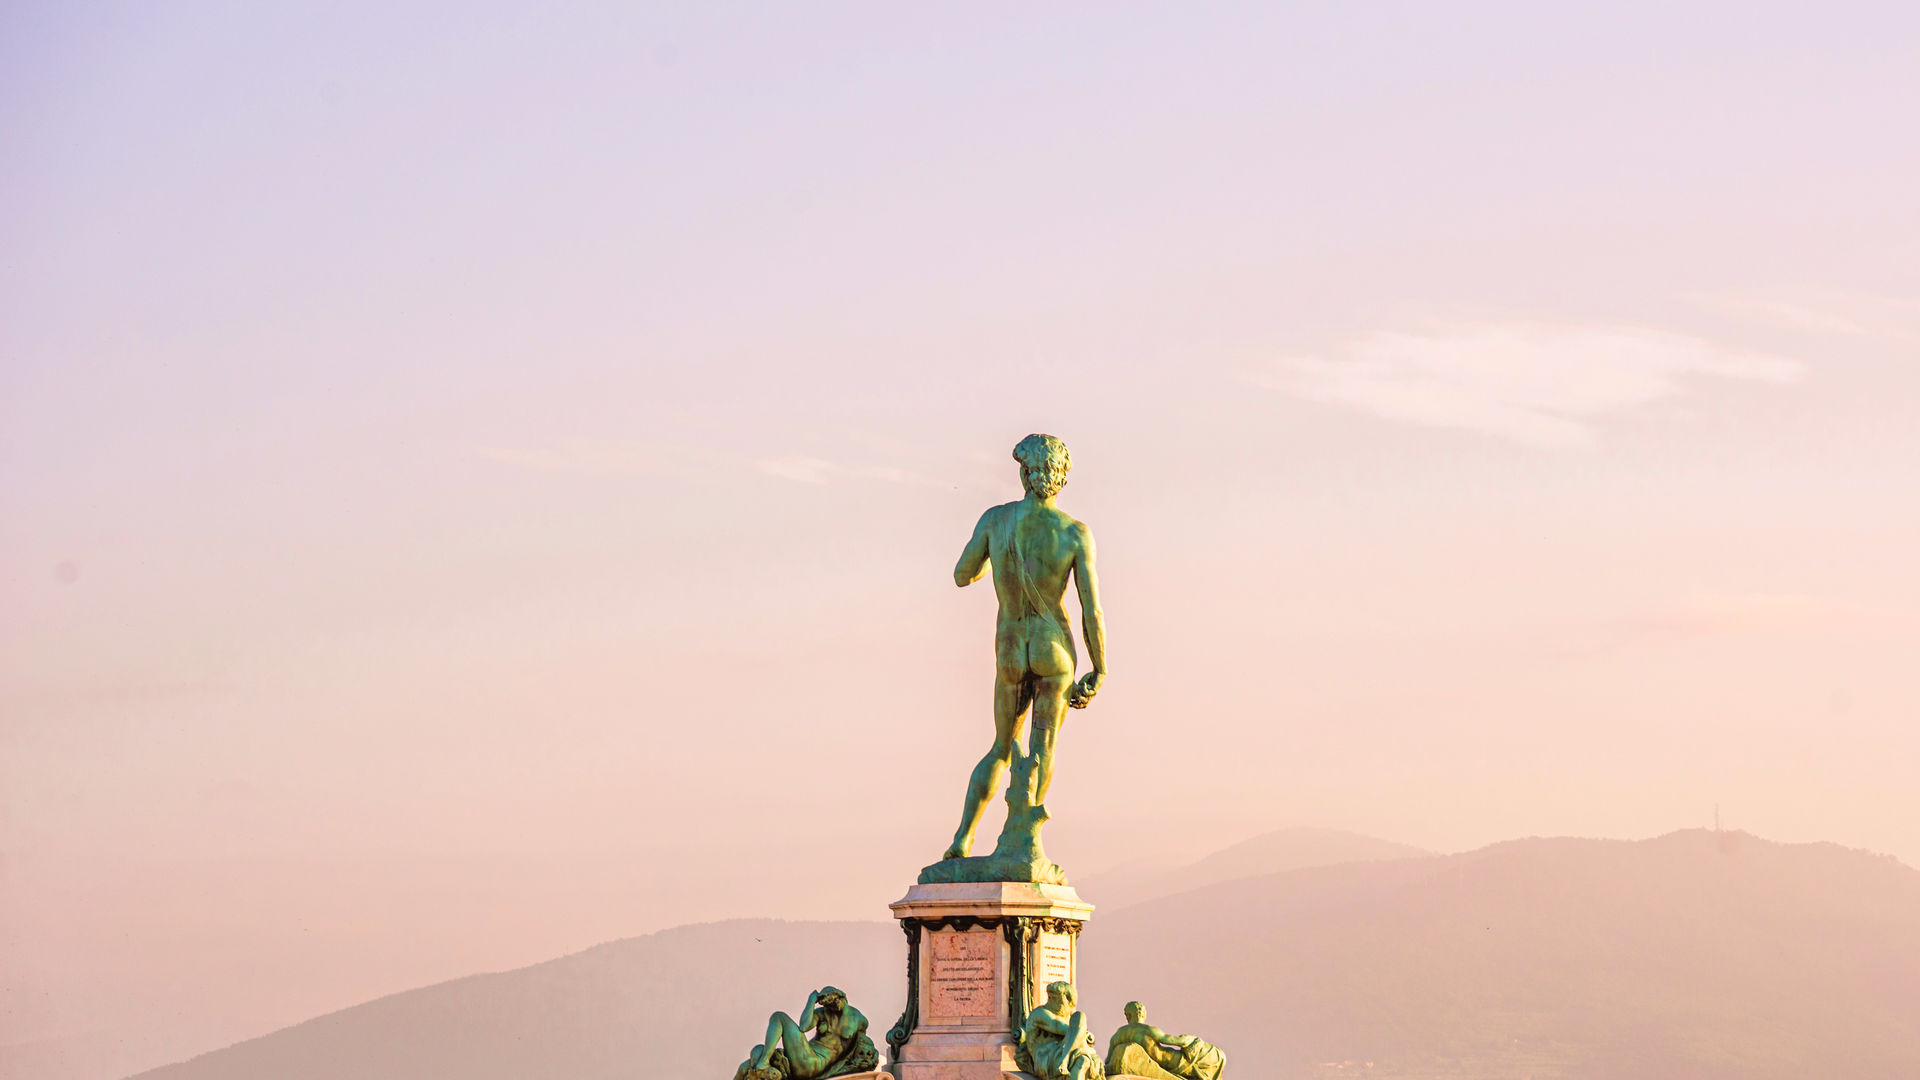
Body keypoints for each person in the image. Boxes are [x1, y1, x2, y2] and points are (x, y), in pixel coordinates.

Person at [943, 433, 1107, 861]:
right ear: (1062, 478)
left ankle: (963, 838)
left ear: (1023, 472)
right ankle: (1024, 838)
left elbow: (962, 574)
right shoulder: (1075, 533)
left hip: (1012, 647)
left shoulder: (995, 521)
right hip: (1055, 649)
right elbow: (1092, 610)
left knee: (1001, 747)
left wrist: (995, 564)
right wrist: (1100, 667)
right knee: (1043, 747)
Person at [733, 986, 874, 1080]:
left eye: (835, 1001)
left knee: (779, 1017)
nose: (833, 1006)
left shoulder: (859, 1019)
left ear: (841, 997)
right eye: (828, 1004)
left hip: (814, 1063)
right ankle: (761, 1064)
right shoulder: (823, 1013)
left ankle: (763, 1063)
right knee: (748, 1063)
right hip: (804, 1056)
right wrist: (811, 1002)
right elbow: (803, 1027)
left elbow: (863, 1048)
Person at [1104, 1001, 1225, 1080]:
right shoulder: (1148, 1030)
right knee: (1213, 1056)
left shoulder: (1118, 1035)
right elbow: (1172, 1040)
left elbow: (1108, 1060)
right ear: (1143, 1014)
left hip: (1157, 1062)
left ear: (1127, 1016)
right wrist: (1192, 1041)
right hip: (1170, 1060)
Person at [1016, 981, 1105, 1080]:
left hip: (1062, 1052)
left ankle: (1065, 1060)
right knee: (1080, 1018)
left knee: (1084, 1060)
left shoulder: (1067, 1017)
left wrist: (1080, 1031)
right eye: (1051, 997)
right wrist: (1081, 1030)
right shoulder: (1040, 1013)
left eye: (1056, 998)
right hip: (1045, 1058)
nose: (1050, 1001)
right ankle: (1064, 1060)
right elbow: (1059, 1026)